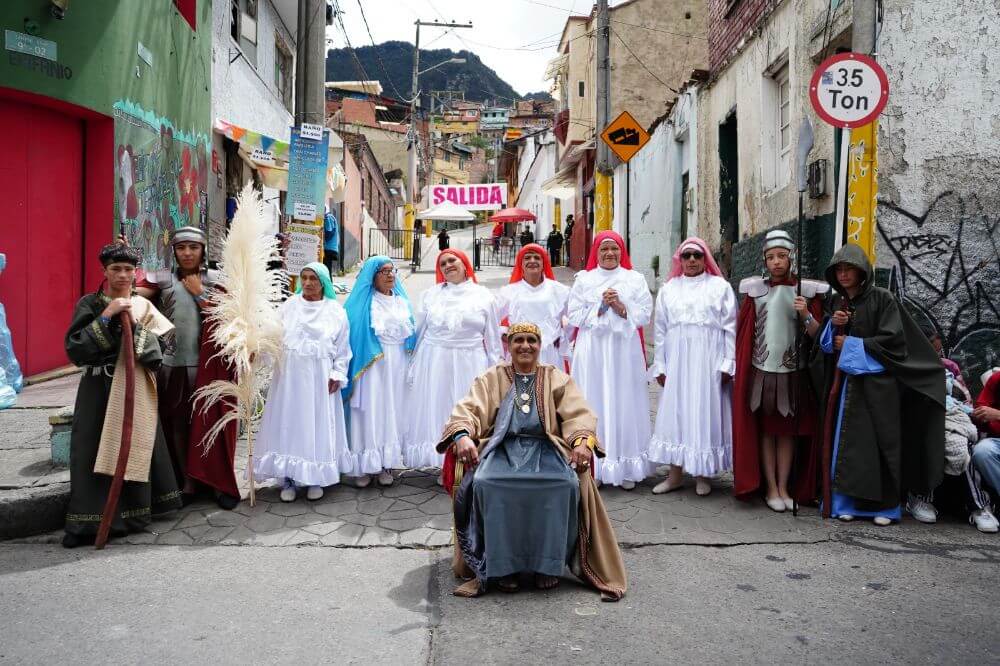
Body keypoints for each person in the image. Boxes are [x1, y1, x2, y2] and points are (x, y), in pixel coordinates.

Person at [440, 322, 627, 600]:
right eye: (518, 341)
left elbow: (579, 414)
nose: (525, 346)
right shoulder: (493, 377)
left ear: (540, 346)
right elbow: (468, 409)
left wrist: (581, 442)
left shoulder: (555, 378)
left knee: (564, 484)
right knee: (485, 482)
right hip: (502, 449)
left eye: (531, 340)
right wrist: (463, 436)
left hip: (546, 449)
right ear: (509, 345)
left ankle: (547, 566)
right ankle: (503, 568)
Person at [816, 243, 945, 526]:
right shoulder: (838, 302)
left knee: (879, 445)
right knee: (847, 447)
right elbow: (826, 346)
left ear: (863, 272)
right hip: (847, 388)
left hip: (878, 387)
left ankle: (884, 508)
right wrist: (833, 326)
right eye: (839, 269)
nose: (844, 274)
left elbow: (894, 342)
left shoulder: (883, 299)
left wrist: (849, 343)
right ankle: (843, 503)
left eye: (849, 268)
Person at [62, 242, 181, 548]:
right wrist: (107, 316)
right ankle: (86, 524)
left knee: (134, 446)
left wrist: (137, 329)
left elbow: (160, 351)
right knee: (90, 449)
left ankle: (131, 518)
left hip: (135, 387)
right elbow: (76, 349)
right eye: (116, 269)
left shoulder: (143, 307)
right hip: (98, 391)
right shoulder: (89, 304)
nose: (123, 275)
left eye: (129, 270)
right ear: (104, 271)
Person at [135, 227, 239, 510]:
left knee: (211, 425)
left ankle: (217, 482)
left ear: (202, 250)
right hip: (173, 365)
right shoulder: (162, 279)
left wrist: (199, 295)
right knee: (178, 425)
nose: (188, 253)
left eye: (193, 247)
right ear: (175, 251)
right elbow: (132, 296)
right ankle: (188, 480)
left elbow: (230, 320)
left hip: (209, 366)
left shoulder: (216, 281)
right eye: (182, 248)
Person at [732, 230, 828, 511]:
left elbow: (817, 336)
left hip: (793, 375)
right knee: (766, 432)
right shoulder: (756, 292)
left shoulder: (806, 292)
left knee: (786, 432)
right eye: (771, 257)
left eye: (782, 256)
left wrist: (806, 314)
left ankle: (785, 486)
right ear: (764, 260)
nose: (776, 262)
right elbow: (745, 336)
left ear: (791, 258)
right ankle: (770, 487)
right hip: (762, 372)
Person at [253, 263, 353, 502]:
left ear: (324, 283)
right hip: (289, 379)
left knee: (316, 424)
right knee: (290, 423)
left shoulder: (335, 311)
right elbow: (273, 339)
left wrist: (338, 373)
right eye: (304, 278)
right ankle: (288, 477)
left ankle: (314, 477)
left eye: (313, 279)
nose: (307, 283)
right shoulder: (288, 307)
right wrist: (258, 352)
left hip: (320, 379)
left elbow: (342, 348)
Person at [648, 238, 737, 497]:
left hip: (709, 359)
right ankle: (675, 475)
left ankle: (702, 474)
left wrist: (727, 363)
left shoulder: (719, 287)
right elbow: (661, 330)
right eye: (686, 256)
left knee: (703, 411)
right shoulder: (669, 289)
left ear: (705, 257)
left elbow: (730, 328)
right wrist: (661, 364)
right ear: (680, 259)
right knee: (676, 412)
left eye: (697, 255)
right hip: (677, 359)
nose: (691, 261)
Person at [405, 250, 502, 478]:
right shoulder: (430, 295)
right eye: (443, 263)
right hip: (435, 360)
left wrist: (494, 372)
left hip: (470, 360)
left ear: (464, 263)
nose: (448, 265)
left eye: (452, 260)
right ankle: (445, 464)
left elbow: (493, 339)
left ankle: (469, 459)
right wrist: (411, 363)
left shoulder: (484, 296)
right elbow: (418, 331)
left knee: (468, 410)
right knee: (439, 408)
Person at [567, 231, 653, 489]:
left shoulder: (634, 279)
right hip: (593, 349)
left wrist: (620, 307)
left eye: (614, 249)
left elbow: (645, 313)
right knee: (594, 400)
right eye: (603, 249)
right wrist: (601, 307)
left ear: (621, 252)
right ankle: (594, 465)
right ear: (596, 252)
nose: (609, 254)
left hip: (623, 350)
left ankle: (625, 465)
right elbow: (573, 315)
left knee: (624, 400)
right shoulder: (584, 279)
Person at [343, 257, 417, 488]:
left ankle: (386, 463)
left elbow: (412, 335)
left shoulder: (402, 302)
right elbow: (351, 334)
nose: (389, 275)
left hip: (397, 363)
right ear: (371, 276)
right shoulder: (364, 304)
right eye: (383, 271)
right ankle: (364, 464)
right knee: (370, 410)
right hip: (372, 364)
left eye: (392, 270)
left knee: (392, 411)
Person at [497, 243, 570, 370]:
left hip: (550, 353)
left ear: (544, 263)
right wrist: (504, 333)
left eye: (537, 258)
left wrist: (562, 336)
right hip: (520, 352)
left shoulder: (560, 290)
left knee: (550, 388)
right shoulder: (509, 291)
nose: (532, 261)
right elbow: (491, 319)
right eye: (527, 258)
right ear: (521, 264)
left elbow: (574, 319)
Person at [970, 367, 1000, 531]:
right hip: (996, 441)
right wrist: (979, 415)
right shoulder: (996, 379)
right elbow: (982, 409)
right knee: (983, 451)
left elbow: (994, 415)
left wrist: (997, 415)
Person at [323, 210, 340, 276]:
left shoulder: (328, 217)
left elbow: (329, 232)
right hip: (330, 248)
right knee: (327, 269)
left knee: (326, 270)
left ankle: (328, 285)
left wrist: (322, 240)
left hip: (328, 248)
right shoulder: (330, 217)